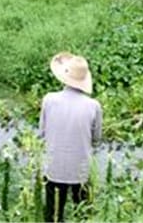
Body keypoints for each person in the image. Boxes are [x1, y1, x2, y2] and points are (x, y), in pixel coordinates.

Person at [40, 52, 103, 222]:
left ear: (64, 77)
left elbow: (42, 133)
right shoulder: (93, 106)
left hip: (53, 168)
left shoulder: (49, 100)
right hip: (81, 171)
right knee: (82, 214)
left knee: (53, 215)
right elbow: (96, 139)